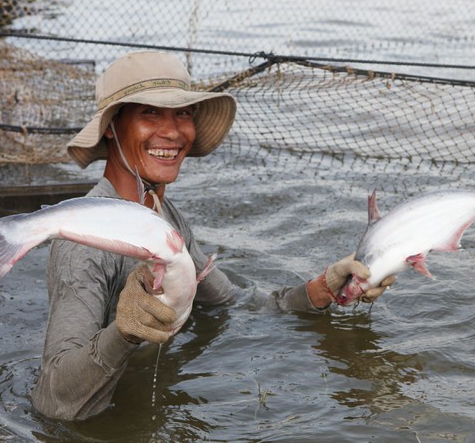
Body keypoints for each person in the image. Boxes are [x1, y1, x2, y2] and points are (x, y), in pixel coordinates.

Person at [30, 51, 394, 421]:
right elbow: (55, 398)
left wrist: (327, 287)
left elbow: (234, 303)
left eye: (183, 113)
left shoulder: (169, 223)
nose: (172, 132)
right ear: (111, 126)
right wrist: (124, 332)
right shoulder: (82, 242)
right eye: (149, 113)